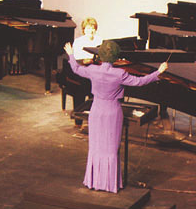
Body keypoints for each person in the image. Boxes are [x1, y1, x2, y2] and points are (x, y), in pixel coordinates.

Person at [63, 40, 168, 193]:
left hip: (96, 110)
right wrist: (158, 72)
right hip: (112, 112)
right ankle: (109, 184)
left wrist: (71, 55)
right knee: (110, 149)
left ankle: (94, 181)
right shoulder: (120, 74)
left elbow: (76, 69)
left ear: (101, 55)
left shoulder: (93, 70)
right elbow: (140, 82)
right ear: (116, 57)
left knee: (96, 147)